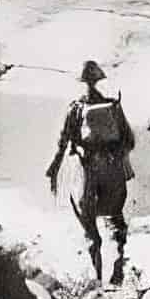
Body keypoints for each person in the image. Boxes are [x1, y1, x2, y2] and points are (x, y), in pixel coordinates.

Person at [46, 59, 137, 285]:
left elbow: (64, 139)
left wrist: (55, 166)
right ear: (98, 80)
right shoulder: (113, 106)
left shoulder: (76, 108)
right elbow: (129, 139)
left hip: (87, 167)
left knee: (88, 225)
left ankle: (97, 278)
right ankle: (118, 273)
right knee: (116, 220)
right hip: (112, 168)